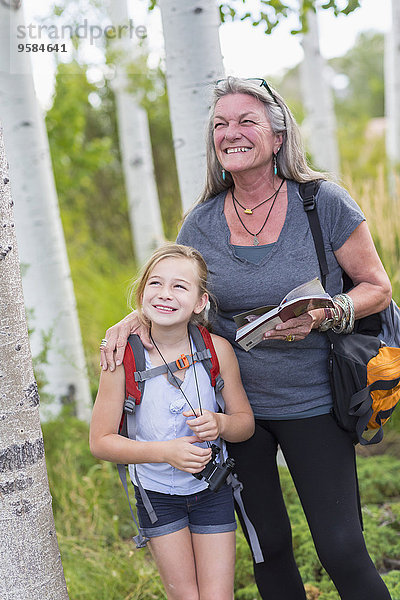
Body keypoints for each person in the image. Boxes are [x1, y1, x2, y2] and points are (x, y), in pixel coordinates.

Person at [100, 78, 392, 599]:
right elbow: (173, 293)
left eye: (246, 121)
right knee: (270, 548)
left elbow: (377, 287)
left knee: (342, 547)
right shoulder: (201, 224)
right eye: (220, 124)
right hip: (232, 414)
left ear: (277, 137)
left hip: (316, 401)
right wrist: (130, 322)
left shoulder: (321, 202)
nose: (231, 133)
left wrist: (329, 312)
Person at [90, 243, 254, 600]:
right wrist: (165, 452)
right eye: (155, 284)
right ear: (141, 292)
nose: (165, 294)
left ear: (200, 301)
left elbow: (245, 423)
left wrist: (220, 424)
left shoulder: (216, 351)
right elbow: (100, 441)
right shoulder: (123, 358)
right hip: (156, 497)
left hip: (211, 492)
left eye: (180, 286)